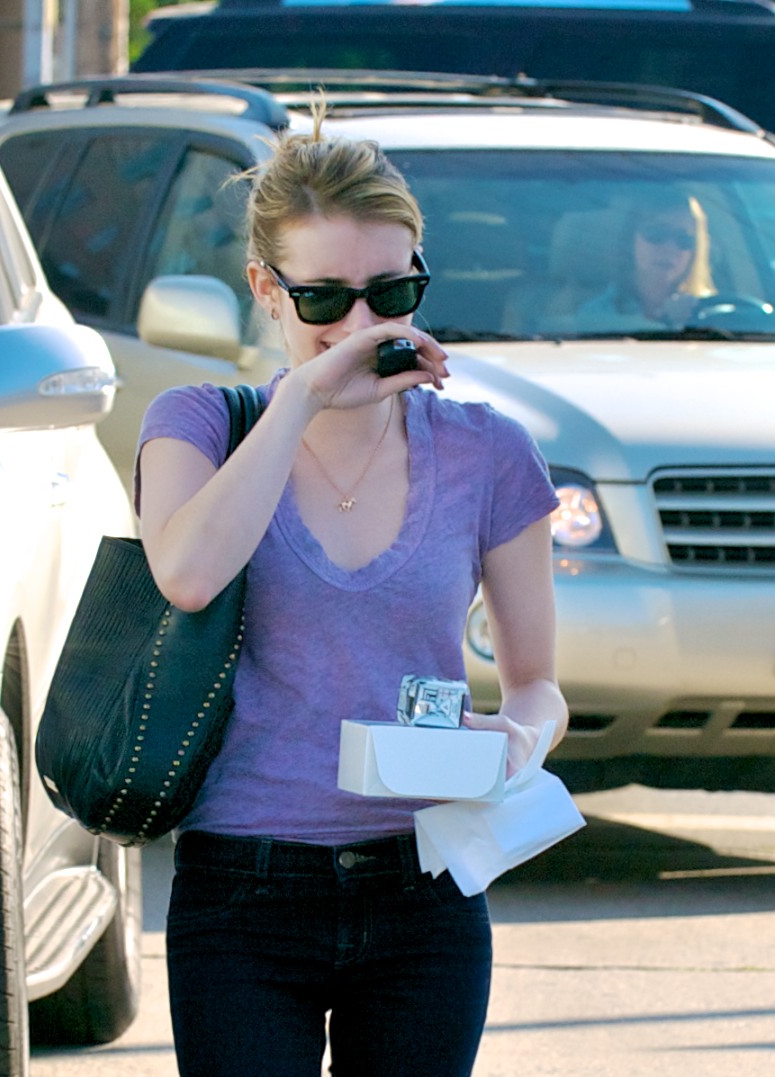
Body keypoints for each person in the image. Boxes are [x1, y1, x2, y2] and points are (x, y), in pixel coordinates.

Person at [135, 102, 569, 1077]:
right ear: (266, 290)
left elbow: (537, 682)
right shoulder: (196, 424)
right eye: (325, 299)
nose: (362, 325)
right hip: (243, 889)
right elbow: (189, 575)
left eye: (392, 292)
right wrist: (300, 398)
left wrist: (520, 739)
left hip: (426, 887)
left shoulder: (488, 450)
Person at [577, 190, 716, 332]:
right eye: (657, 233)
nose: (669, 248)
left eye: (684, 239)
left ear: (695, 251)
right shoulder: (598, 316)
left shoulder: (713, 314)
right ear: (630, 240)